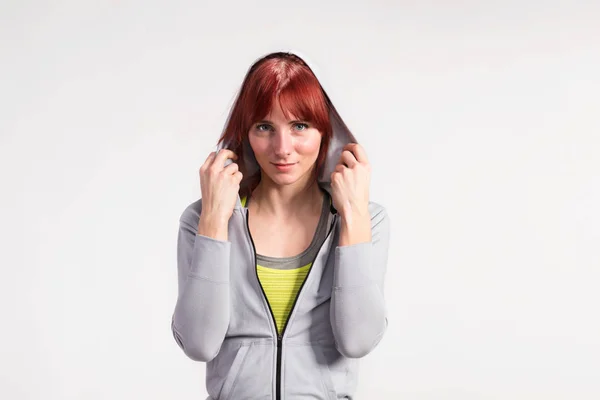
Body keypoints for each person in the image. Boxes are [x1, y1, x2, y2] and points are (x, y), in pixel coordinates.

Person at [171, 50, 391, 400]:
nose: (282, 148)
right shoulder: (201, 219)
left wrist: (353, 216)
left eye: (299, 126)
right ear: (245, 134)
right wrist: (214, 219)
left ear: (325, 132)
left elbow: (358, 339)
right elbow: (198, 343)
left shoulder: (366, 219)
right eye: (264, 127)